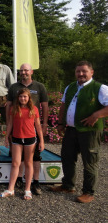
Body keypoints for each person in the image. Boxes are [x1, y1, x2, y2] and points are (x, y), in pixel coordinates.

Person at [50, 61, 108, 203]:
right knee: (67, 157)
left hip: (90, 131)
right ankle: (68, 185)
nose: (81, 74)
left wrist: (96, 115)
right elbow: (63, 105)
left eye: (84, 71)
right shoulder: (70, 87)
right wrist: (60, 123)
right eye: (78, 71)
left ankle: (88, 192)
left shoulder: (100, 88)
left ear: (91, 72)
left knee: (90, 161)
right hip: (71, 129)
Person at [6, 63, 49, 195]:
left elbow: (45, 106)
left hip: (32, 129)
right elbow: (8, 105)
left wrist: (44, 124)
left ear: (31, 72)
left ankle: (35, 183)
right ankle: (18, 180)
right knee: (17, 160)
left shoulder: (39, 86)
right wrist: (8, 127)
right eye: (21, 70)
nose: (24, 72)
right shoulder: (14, 87)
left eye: (26, 70)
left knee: (34, 158)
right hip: (18, 127)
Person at [0, 88, 44, 200]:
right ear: (18, 98)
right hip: (16, 139)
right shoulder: (14, 109)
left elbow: (38, 126)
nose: (22, 98)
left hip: (30, 139)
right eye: (20, 96)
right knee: (15, 163)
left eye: (25, 96)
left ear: (29, 98)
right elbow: (10, 124)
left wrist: (42, 141)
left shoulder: (34, 109)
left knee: (29, 163)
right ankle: (10, 189)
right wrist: (6, 137)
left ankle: (27, 190)